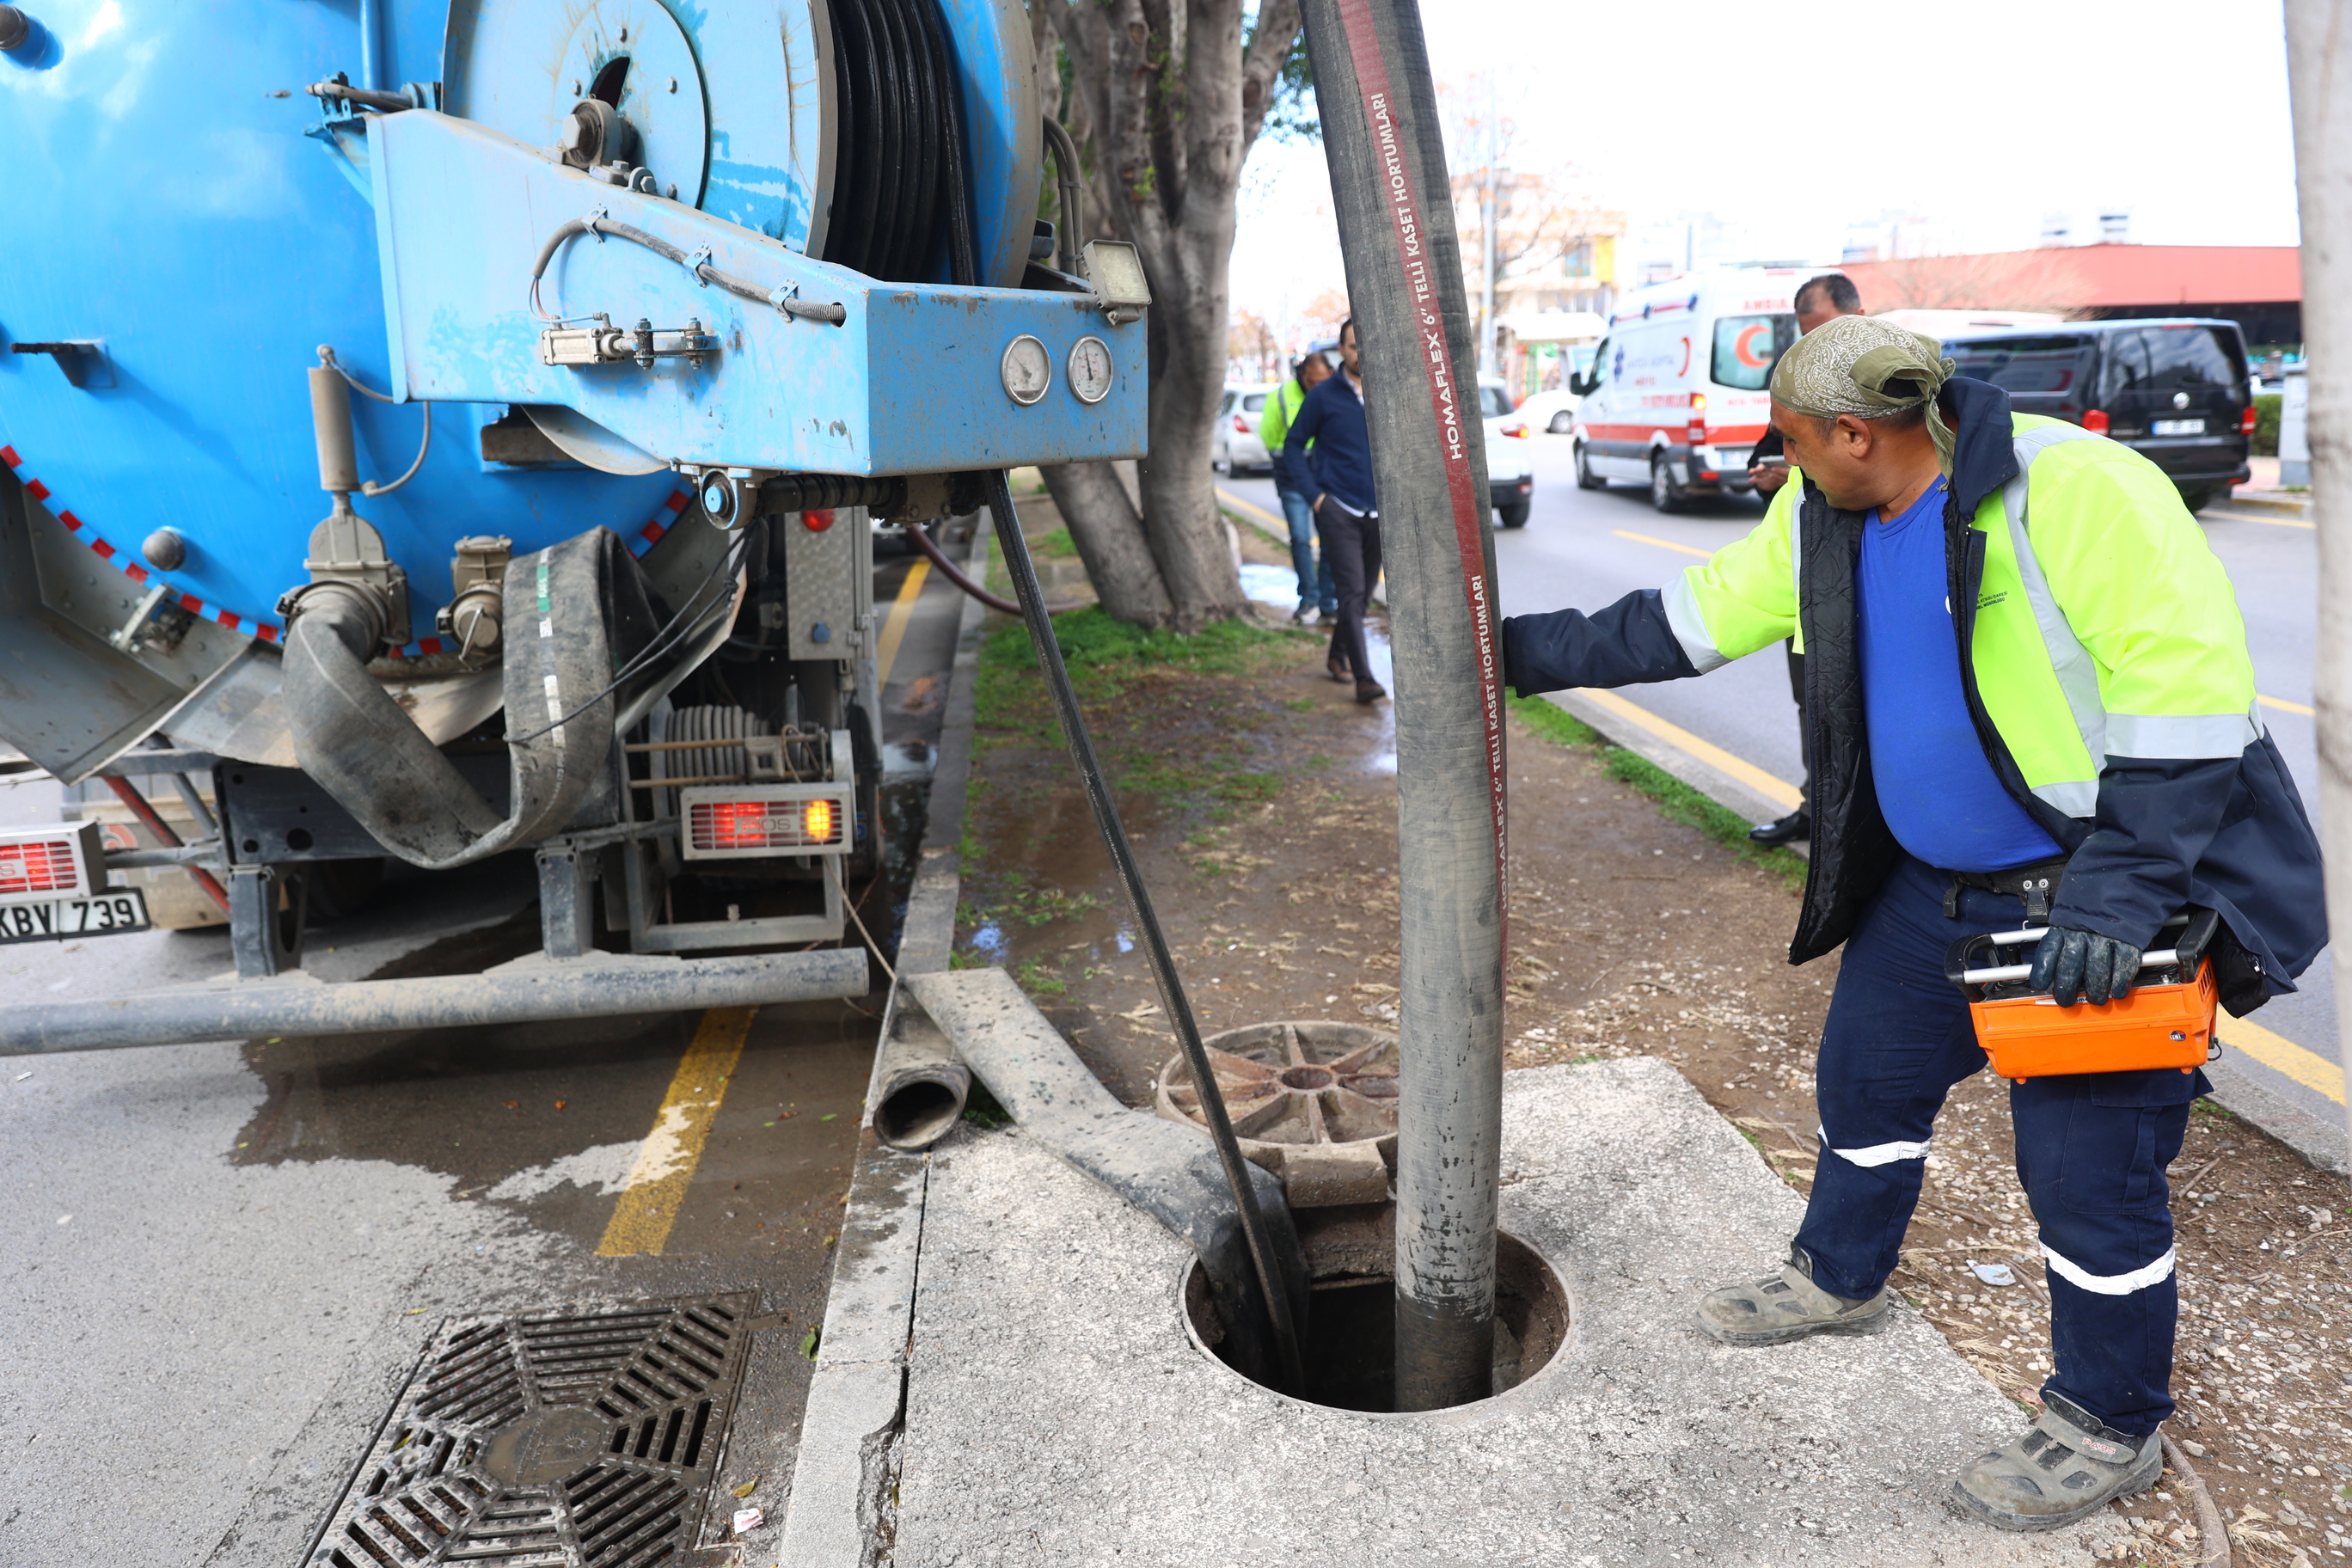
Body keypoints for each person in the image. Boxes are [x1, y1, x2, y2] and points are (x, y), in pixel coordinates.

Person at [1500, 315, 2324, 1532]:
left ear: (1854, 431)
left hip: (2092, 897)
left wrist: (2121, 893)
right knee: (1865, 1087)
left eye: (1787, 439)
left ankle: (2109, 1417)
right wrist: (1496, 651)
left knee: (2088, 1180)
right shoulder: (1823, 517)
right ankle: (1842, 1277)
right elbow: (1684, 622)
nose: (1773, 460)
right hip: (1930, 889)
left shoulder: (2077, 490)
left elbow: (2183, 700)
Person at [1747, 271, 1864, 847]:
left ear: (1857, 313)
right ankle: (1817, 813)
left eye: (1820, 330)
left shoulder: (1895, 379)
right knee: (1814, 703)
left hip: (1873, 579)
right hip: (1809, 582)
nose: (1812, 346)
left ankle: (1862, 830)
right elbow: (1769, 450)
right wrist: (1774, 476)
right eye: (1804, 334)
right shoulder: (1802, 378)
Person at [1284, 319, 1385, 703]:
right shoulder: (1323, 396)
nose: (1362, 353)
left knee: (1362, 596)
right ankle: (1364, 679)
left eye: (1367, 345)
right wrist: (1316, 497)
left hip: (1379, 513)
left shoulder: (1386, 392)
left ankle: (1336, 656)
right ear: (1342, 350)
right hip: (1338, 508)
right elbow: (1293, 446)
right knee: (1351, 591)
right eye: (1355, 346)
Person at [1259, 349, 1338, 624]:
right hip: (1293, 478)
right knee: (1302, 539)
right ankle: (1309, 600)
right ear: (1301, 375)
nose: (1316, 388)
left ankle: (1328, 601)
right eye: (1310, 382)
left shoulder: (1337, 395)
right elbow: (1269, 437)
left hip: (1326, 479)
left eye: (1321, 381)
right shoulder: (1280, 397)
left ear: (1331, 374)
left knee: (1330, 540)